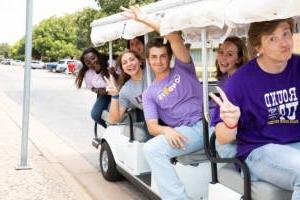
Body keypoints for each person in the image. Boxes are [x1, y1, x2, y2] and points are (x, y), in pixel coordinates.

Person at [210, 18, 300, 198]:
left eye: (285, 34)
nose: (284, 42)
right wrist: (230, 124)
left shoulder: (297, 65)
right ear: (258, 47)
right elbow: (221, 137)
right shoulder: (239, 82)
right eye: (272, 39)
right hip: (260, 150)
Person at [121, 6, 204, 200]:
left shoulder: (183, 69)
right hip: (188, 131)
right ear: (148, 61)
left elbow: (174, 37)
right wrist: (167, 130)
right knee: (152, 149)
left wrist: (145, 20)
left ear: (169, 57)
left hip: (209, 121)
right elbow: (152, 126)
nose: (159, 61)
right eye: (154, 57)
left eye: (163, 56)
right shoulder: (150, 93)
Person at [212, 36, 249, 158]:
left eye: (230, 54)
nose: (223, 58)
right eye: (221, 52)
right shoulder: (225, 79)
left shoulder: (242, 81)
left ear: (238, 59)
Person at [75, 47, 116, 128]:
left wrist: (104, 71)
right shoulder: (88, 73)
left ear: (98, 55)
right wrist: (97, 90)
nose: (92, 62)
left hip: (119, 92)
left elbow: (120, 79)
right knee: (96, 114)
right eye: (88, 63)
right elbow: (91, 87)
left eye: (93, 58)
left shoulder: (111, 63)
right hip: (104, 95)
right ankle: (110, 129)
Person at [106, 50, 150, 124]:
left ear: (140, 61)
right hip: (154, 122)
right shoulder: (126, 90)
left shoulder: (153, 70)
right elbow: (113, 120)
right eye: (125, 63)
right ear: (123, 69)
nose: (129, 64)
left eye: (132, 59)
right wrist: (114, 96)